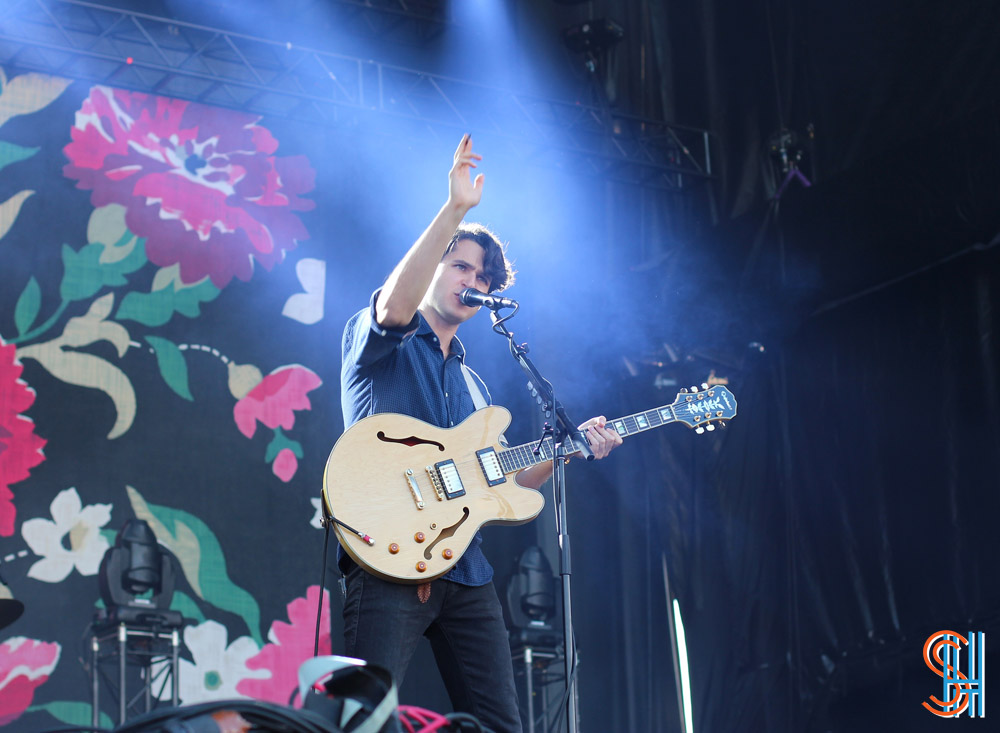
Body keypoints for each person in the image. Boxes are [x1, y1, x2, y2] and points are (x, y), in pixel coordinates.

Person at [337, 134, 622, 732]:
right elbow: (395, 305)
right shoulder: (380, 334)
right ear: (435, 264)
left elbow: (507, 481)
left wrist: (566, 450)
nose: (474, 281)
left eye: (484, 277)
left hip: (465, 570)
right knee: (369, 723)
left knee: (502, 726)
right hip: (388, 558)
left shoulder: (475, 389)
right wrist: (454, 212)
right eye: (460, 265)